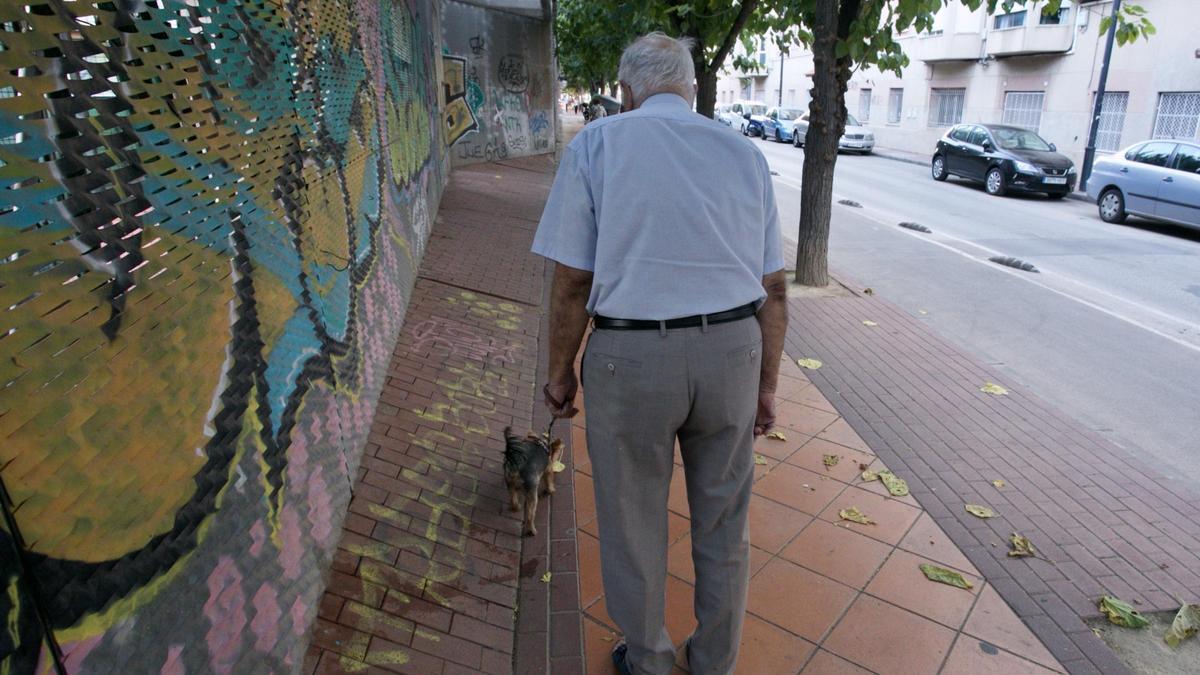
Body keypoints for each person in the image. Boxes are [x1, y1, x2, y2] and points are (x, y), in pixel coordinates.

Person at [532, 32, 787, 675]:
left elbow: (572, 280)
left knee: (632, 519)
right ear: (691, 87)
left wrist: (560, 372)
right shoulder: (744, 153)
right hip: (734, 350)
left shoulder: (597, 144)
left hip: (631, 355)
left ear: (625, 89)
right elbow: (774, 287)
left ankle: (647, 660)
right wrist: (766, 384)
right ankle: (713, 662)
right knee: (725, 519)